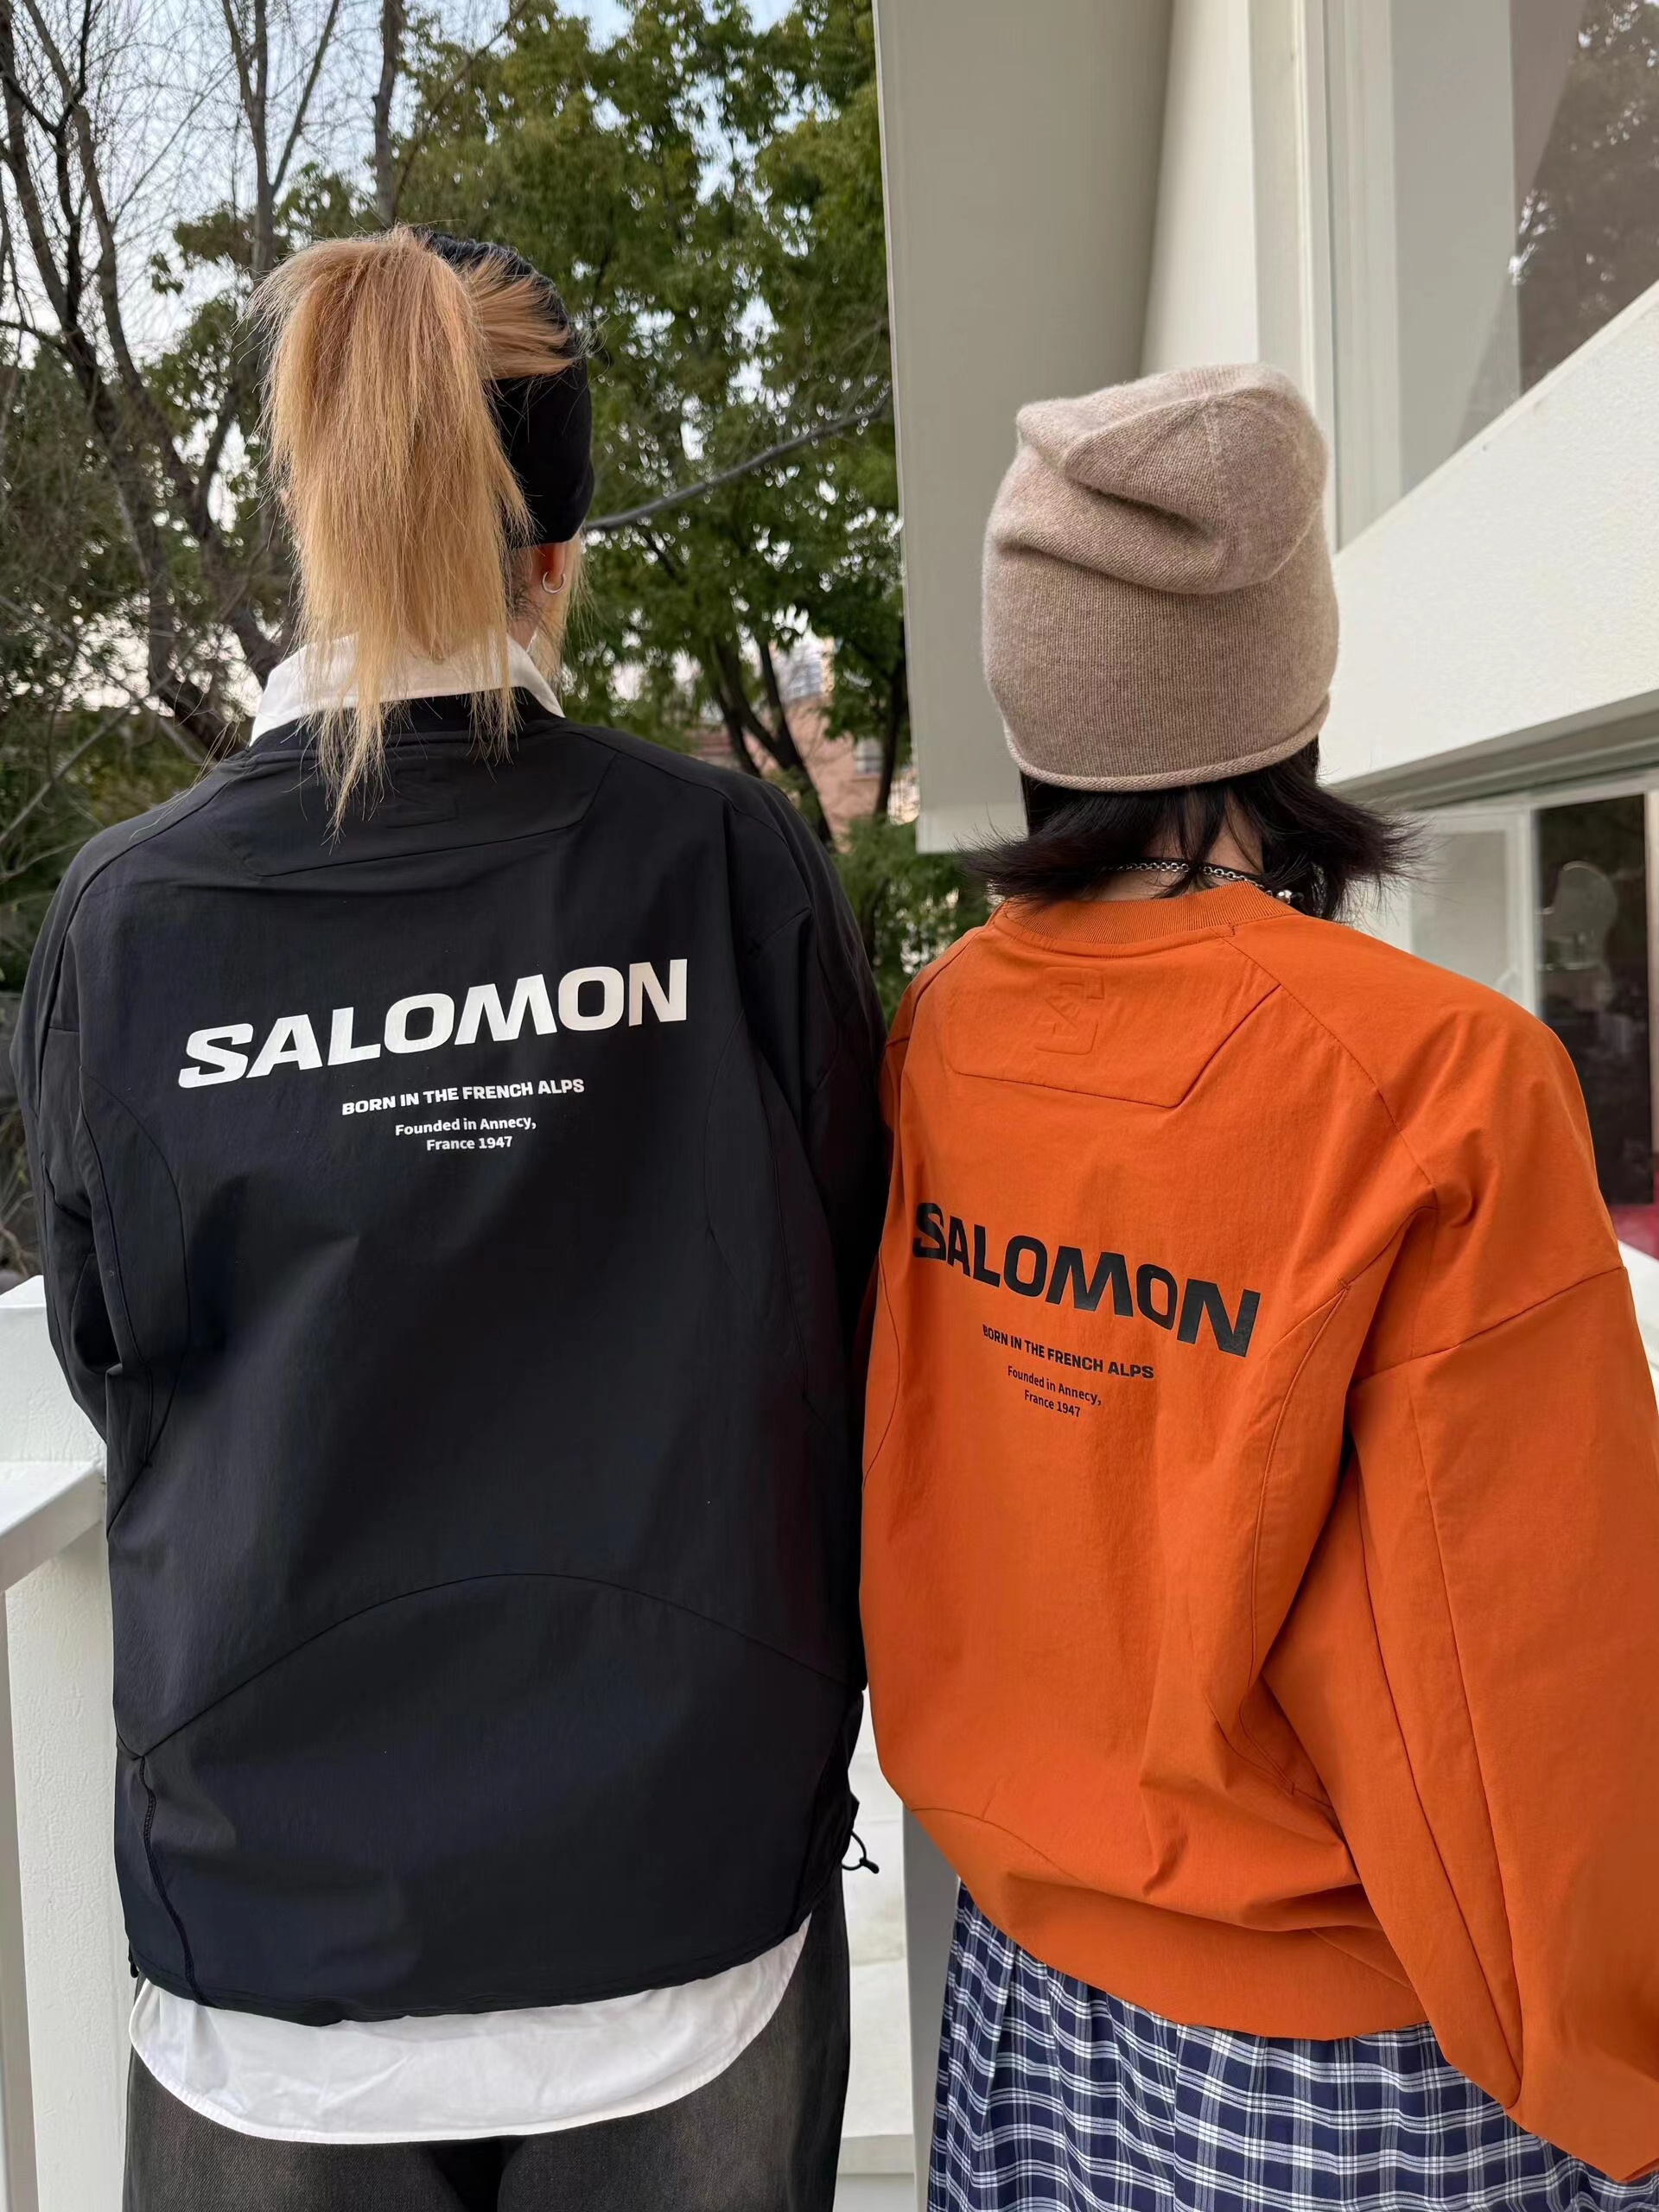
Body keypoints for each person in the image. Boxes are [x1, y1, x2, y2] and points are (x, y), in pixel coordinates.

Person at [12, 226, 887, 2212]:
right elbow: (847, 1290)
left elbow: (108, 1342)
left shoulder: (133, 920)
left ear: (314, 514)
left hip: (273, 1917)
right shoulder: (720, 861)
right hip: (676, 1889)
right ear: (556, 552)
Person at [861, 363, 1659, 2209]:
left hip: (1021, 1999)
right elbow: (1532, 1674)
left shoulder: (940, 1033)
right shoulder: (1437, 1078)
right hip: (1352, 2062)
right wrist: (1621, 2074)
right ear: (1288, 680)